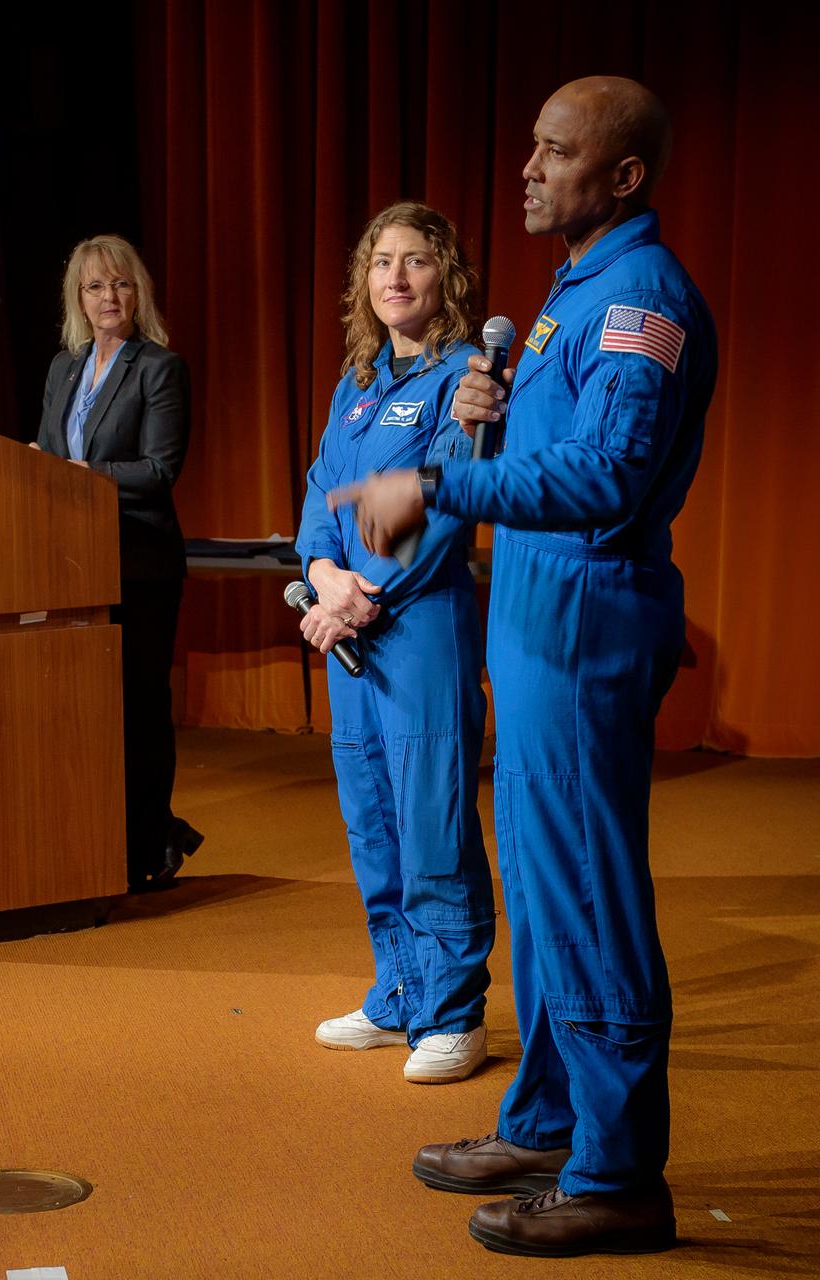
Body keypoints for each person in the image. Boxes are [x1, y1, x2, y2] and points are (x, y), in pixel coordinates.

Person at [330, 78, 717, 1255]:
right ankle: (548, 1120)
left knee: (588, 899)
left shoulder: (638, 298)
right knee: (547, 905)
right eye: (531, 148)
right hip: (540, 624)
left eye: (555, 152)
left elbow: (606, 477)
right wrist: (487, 417)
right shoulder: (567, 292)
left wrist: (440, 479)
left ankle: (616, 1171)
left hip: (585, 623)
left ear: (621, 175)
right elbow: (553, 449)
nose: (527, 169)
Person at [295, 202, 495, 1084]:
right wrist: (320, 573)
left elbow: (447, 507)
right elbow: (321, 491)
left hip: (418, 632)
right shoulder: (359, 380)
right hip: (354, 637)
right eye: (381, 263)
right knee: (371, 821)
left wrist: (360, 601)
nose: (396, 278)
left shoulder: (467, 377)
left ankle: (454, 1013)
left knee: (431, 822)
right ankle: (399, 993)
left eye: (414, 261)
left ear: (443, 275)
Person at [35, 235, 203, 893]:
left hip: (139, 565)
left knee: (138, 708)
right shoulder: (63, 368)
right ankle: (95, 836)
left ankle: (150, 840)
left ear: (140, 294)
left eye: (122, 285)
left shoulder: (160, 368)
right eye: (96, 287)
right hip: (72, 564)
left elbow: (159, 471)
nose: (110, 298)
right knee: (85, 713)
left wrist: (81, 474)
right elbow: (48, 451)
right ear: (78, 298)